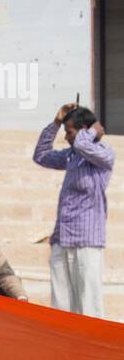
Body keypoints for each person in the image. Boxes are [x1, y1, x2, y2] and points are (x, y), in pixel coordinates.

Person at [33, 103, 115, 319]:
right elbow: (40, 155)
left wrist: (92, 130)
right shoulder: (71, 156)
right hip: (63, 237)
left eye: (69, 132)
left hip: (86, 240)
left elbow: (83, 144)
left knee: (88, 303)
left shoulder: (104, 154)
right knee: (61, 303)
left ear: (85, 130)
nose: (66, 137)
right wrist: (57, 122)